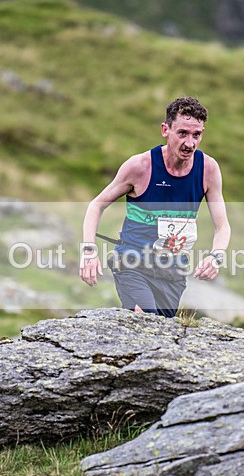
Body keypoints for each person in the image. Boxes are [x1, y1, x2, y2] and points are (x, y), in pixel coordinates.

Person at [79, 96, 231, 317]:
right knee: (144, 318)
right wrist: (88, 251)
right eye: (182, 134)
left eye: (196, 135)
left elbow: (222, 226)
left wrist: (215, 256)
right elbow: (96, 206)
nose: (190, 143)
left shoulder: (208, 169)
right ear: (165, 130)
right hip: (132, 265)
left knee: (159, 336)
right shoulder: (140, 167)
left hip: (173, 274)